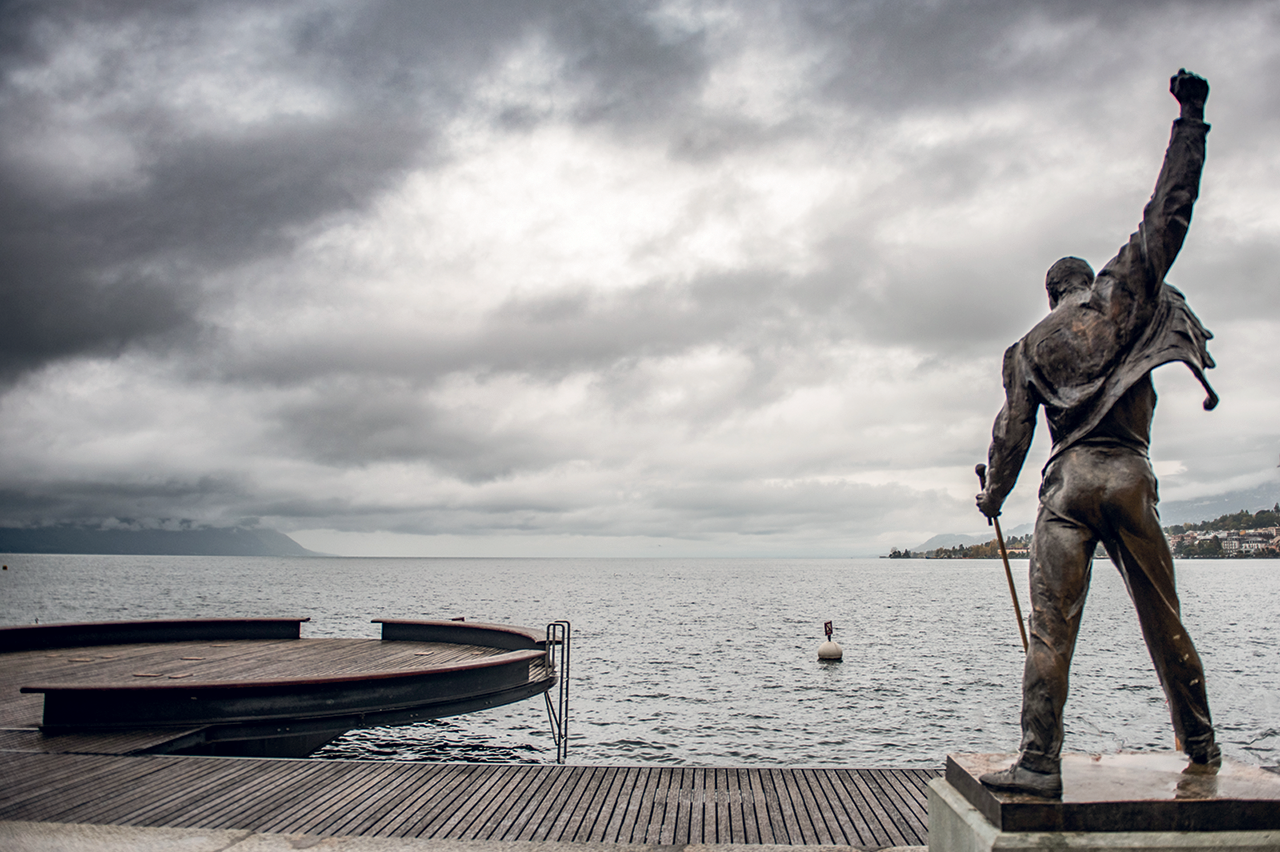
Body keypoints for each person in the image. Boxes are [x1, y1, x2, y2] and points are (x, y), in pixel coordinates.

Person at [975, 69, 1220, 798]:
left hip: (1070, 483)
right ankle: (1202, 745)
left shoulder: (1029, 347)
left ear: (1051, 294)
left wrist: (992, 495)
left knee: (1052, 631)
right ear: (1086, 283)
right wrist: (1191, 120)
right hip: (1131, 477)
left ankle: (1039, 763)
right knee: (1163, 619)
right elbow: (1167, 214)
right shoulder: (1126, 299)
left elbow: (1012, 436)